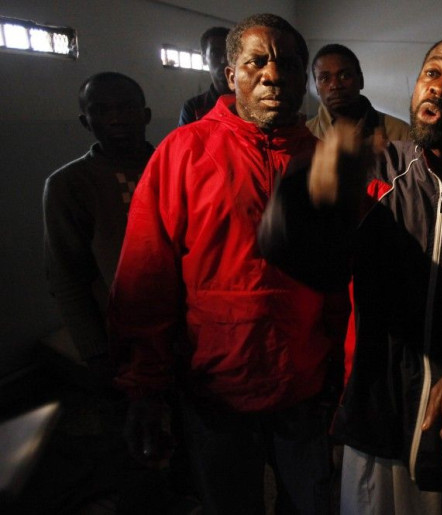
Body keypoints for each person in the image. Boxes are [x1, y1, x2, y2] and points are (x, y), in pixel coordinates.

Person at [259, 33, 442, 513]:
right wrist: (309, 192)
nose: (440, 87)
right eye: (432, 73)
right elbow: (304, 261)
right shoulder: (373, 172)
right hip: (375, 408)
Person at [109, 14, 348, 515]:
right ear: (230, 72)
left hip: (304, 388)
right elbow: (146, 279)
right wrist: (145, 387)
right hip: (214, 390)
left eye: (289, 64)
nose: (273, 75)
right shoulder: (184, 152)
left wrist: (342, 382)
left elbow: (344, 285)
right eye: (256, 61)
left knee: (311, 505)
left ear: (302, 75)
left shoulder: (325, 162)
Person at [43, 71, 153, 374]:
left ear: (145, 116)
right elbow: (66, 277)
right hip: (122, 338)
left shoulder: (176, 166)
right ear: (85, 122)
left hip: (188, 329)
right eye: (101, 110)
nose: (116, 119)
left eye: (126, 108)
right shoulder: (69, 184)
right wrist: (95, 354)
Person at [306, 43, 410, 145]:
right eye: (324, 78)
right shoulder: (305, 134)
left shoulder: (400, 133)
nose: (335, 85)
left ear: (361, 81)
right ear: (316, 87)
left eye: (345, 76)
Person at [178, 26, 231, 125]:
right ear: (204, 59)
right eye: (215, 53)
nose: (224, 61)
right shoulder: (193, 109)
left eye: (229, 54)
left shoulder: (252, 105)